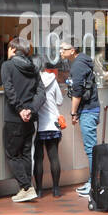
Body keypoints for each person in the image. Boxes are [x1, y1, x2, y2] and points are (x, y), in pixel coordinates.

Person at [1, 37, 40, 202]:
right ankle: (26, 188)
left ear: (13, 49)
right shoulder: (34, 68)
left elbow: (9, 89)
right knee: (25, 153)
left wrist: (19, 109)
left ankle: (26, 187)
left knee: (12, 154)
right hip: (30, 119)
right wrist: (30, 110)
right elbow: (41, 92)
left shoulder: (7, 66)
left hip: (13, 117)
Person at [60, 40, 99, 197]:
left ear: (72, 50)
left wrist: (73, 113)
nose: (60, 51)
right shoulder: (82, 62)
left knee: (91, 149)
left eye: (63, 49)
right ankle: (93, 182)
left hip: (88, 110)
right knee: (91, 148)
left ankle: (93, 184)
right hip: (91, 109)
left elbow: (77, 92)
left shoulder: (78, 65)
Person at [33, 59, 64, 197]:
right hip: (52, 123)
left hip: (38, 124)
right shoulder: (53, 80)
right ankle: (56, 189)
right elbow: (60, 101)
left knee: (38, 158)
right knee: (54, 157)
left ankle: (39, 190)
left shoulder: (31, 82)